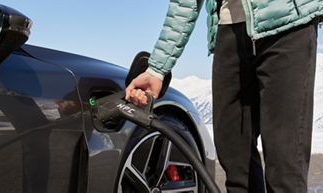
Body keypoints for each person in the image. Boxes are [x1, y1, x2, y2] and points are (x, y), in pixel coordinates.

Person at [125, 0, 322, 192]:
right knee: (236, 163)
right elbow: (184, 3)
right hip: (228, 30)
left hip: (287, 23)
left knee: (284, 167)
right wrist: (157, 69)